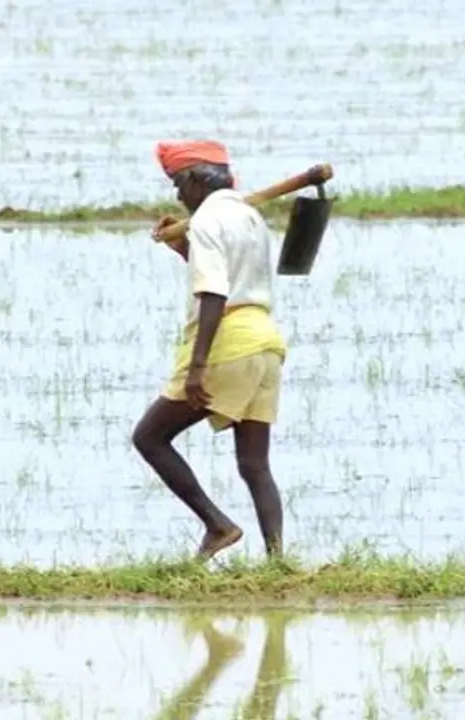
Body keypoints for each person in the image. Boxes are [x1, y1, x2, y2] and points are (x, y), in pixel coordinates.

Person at [131, 139, 287, 564]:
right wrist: (183, 248)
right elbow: (233, 277)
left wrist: (197, 367)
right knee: (255, 462)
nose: (178, 196)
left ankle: (217, 525)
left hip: (229, 341)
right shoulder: (250, 216)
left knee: (150, 436)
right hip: (267, 340)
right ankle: (278, 562)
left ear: (198, 179)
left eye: (179, 184)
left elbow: (215, 292)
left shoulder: (206, 223)